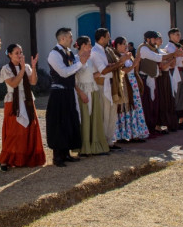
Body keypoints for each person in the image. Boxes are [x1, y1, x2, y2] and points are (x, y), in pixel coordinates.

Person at [0, 43, 46, 169]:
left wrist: (33, 67)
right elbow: (13, 84)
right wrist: (22, 70)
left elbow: (33, 82)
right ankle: (6, 160)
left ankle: (27, 158)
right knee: (14, 131)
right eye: (16, 53)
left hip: (27, 99)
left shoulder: (27, 66)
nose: (20, 55)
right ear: (9, 55)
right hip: (13, 100)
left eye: (21, 52)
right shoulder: (6, 68)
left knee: (30, 128)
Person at [46, 27, 88, 167]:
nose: (72, 39)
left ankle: (66, 153)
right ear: (62, 38)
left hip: (69, 91)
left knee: (70, 121)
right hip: (58, 93)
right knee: (58, 123)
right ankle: (57, 156)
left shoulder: (69, 52)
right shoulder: (54, 54)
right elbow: (64, 73)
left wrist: (81, 61)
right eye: (70, 37)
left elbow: (75, 70)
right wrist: (80, 63)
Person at [90, 28, 129, 150]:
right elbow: (103, 70)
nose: (109, 39)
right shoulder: (96, 51)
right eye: (108, 37)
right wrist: (120, 62)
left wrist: (120, 62)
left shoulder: (107, 50)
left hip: (113, 84)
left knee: (112, 113)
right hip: (103, 84)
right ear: (101, 38)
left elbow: (113, 65)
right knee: (105, 114)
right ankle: (103, 141)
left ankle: (110, 140)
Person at [73, 36, 109, 156]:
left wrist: (105, 71)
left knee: (94, 118)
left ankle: (95, 146)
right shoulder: (75, 59)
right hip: (82, 91)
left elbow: (91, 75)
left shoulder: (89, 59)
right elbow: (73, 79)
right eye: (89, 44)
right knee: (84, 118)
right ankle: (84, 148)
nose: (90, 47)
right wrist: (81, 92)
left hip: (92, 90)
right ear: (83, 45)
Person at [113, 36, 149, 142]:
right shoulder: (117, 57)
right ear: (118, 45)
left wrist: (135, 62)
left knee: (136, 106)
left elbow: (134, 70)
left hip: (132, 83)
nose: (126, 45)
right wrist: (134, 64)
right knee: (125, 108)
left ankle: (136, 133)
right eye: (123, 43)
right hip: (124, 84)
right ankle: (124, 134)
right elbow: (123, 70)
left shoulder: (128, 55)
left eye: (126, 43)